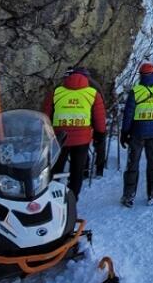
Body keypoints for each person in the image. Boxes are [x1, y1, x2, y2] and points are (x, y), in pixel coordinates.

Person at [42, 68, 106, 199]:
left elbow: (45, 114)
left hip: (59, 137)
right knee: (77, 170)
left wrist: (45, 133)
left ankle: (52, 196)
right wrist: (100, 134)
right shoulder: (92, 93)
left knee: (55, 168)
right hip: (82, 139)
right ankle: (72, 199)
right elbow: (99, 117)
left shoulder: (56, 92)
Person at [120, 63, 153, 207]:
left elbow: (128, 114)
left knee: (132, 164)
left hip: (137, 132)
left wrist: (124, 132)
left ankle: (129, 195)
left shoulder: (136, 91)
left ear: (141, 75)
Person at [66, 66, 107, 178]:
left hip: (82, 119)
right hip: (93, 117)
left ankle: (85, 168)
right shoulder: (94, 85)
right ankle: (99, 168)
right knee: (99, 143)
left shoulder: (72, 84)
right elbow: (102, 103)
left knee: (82, 144)